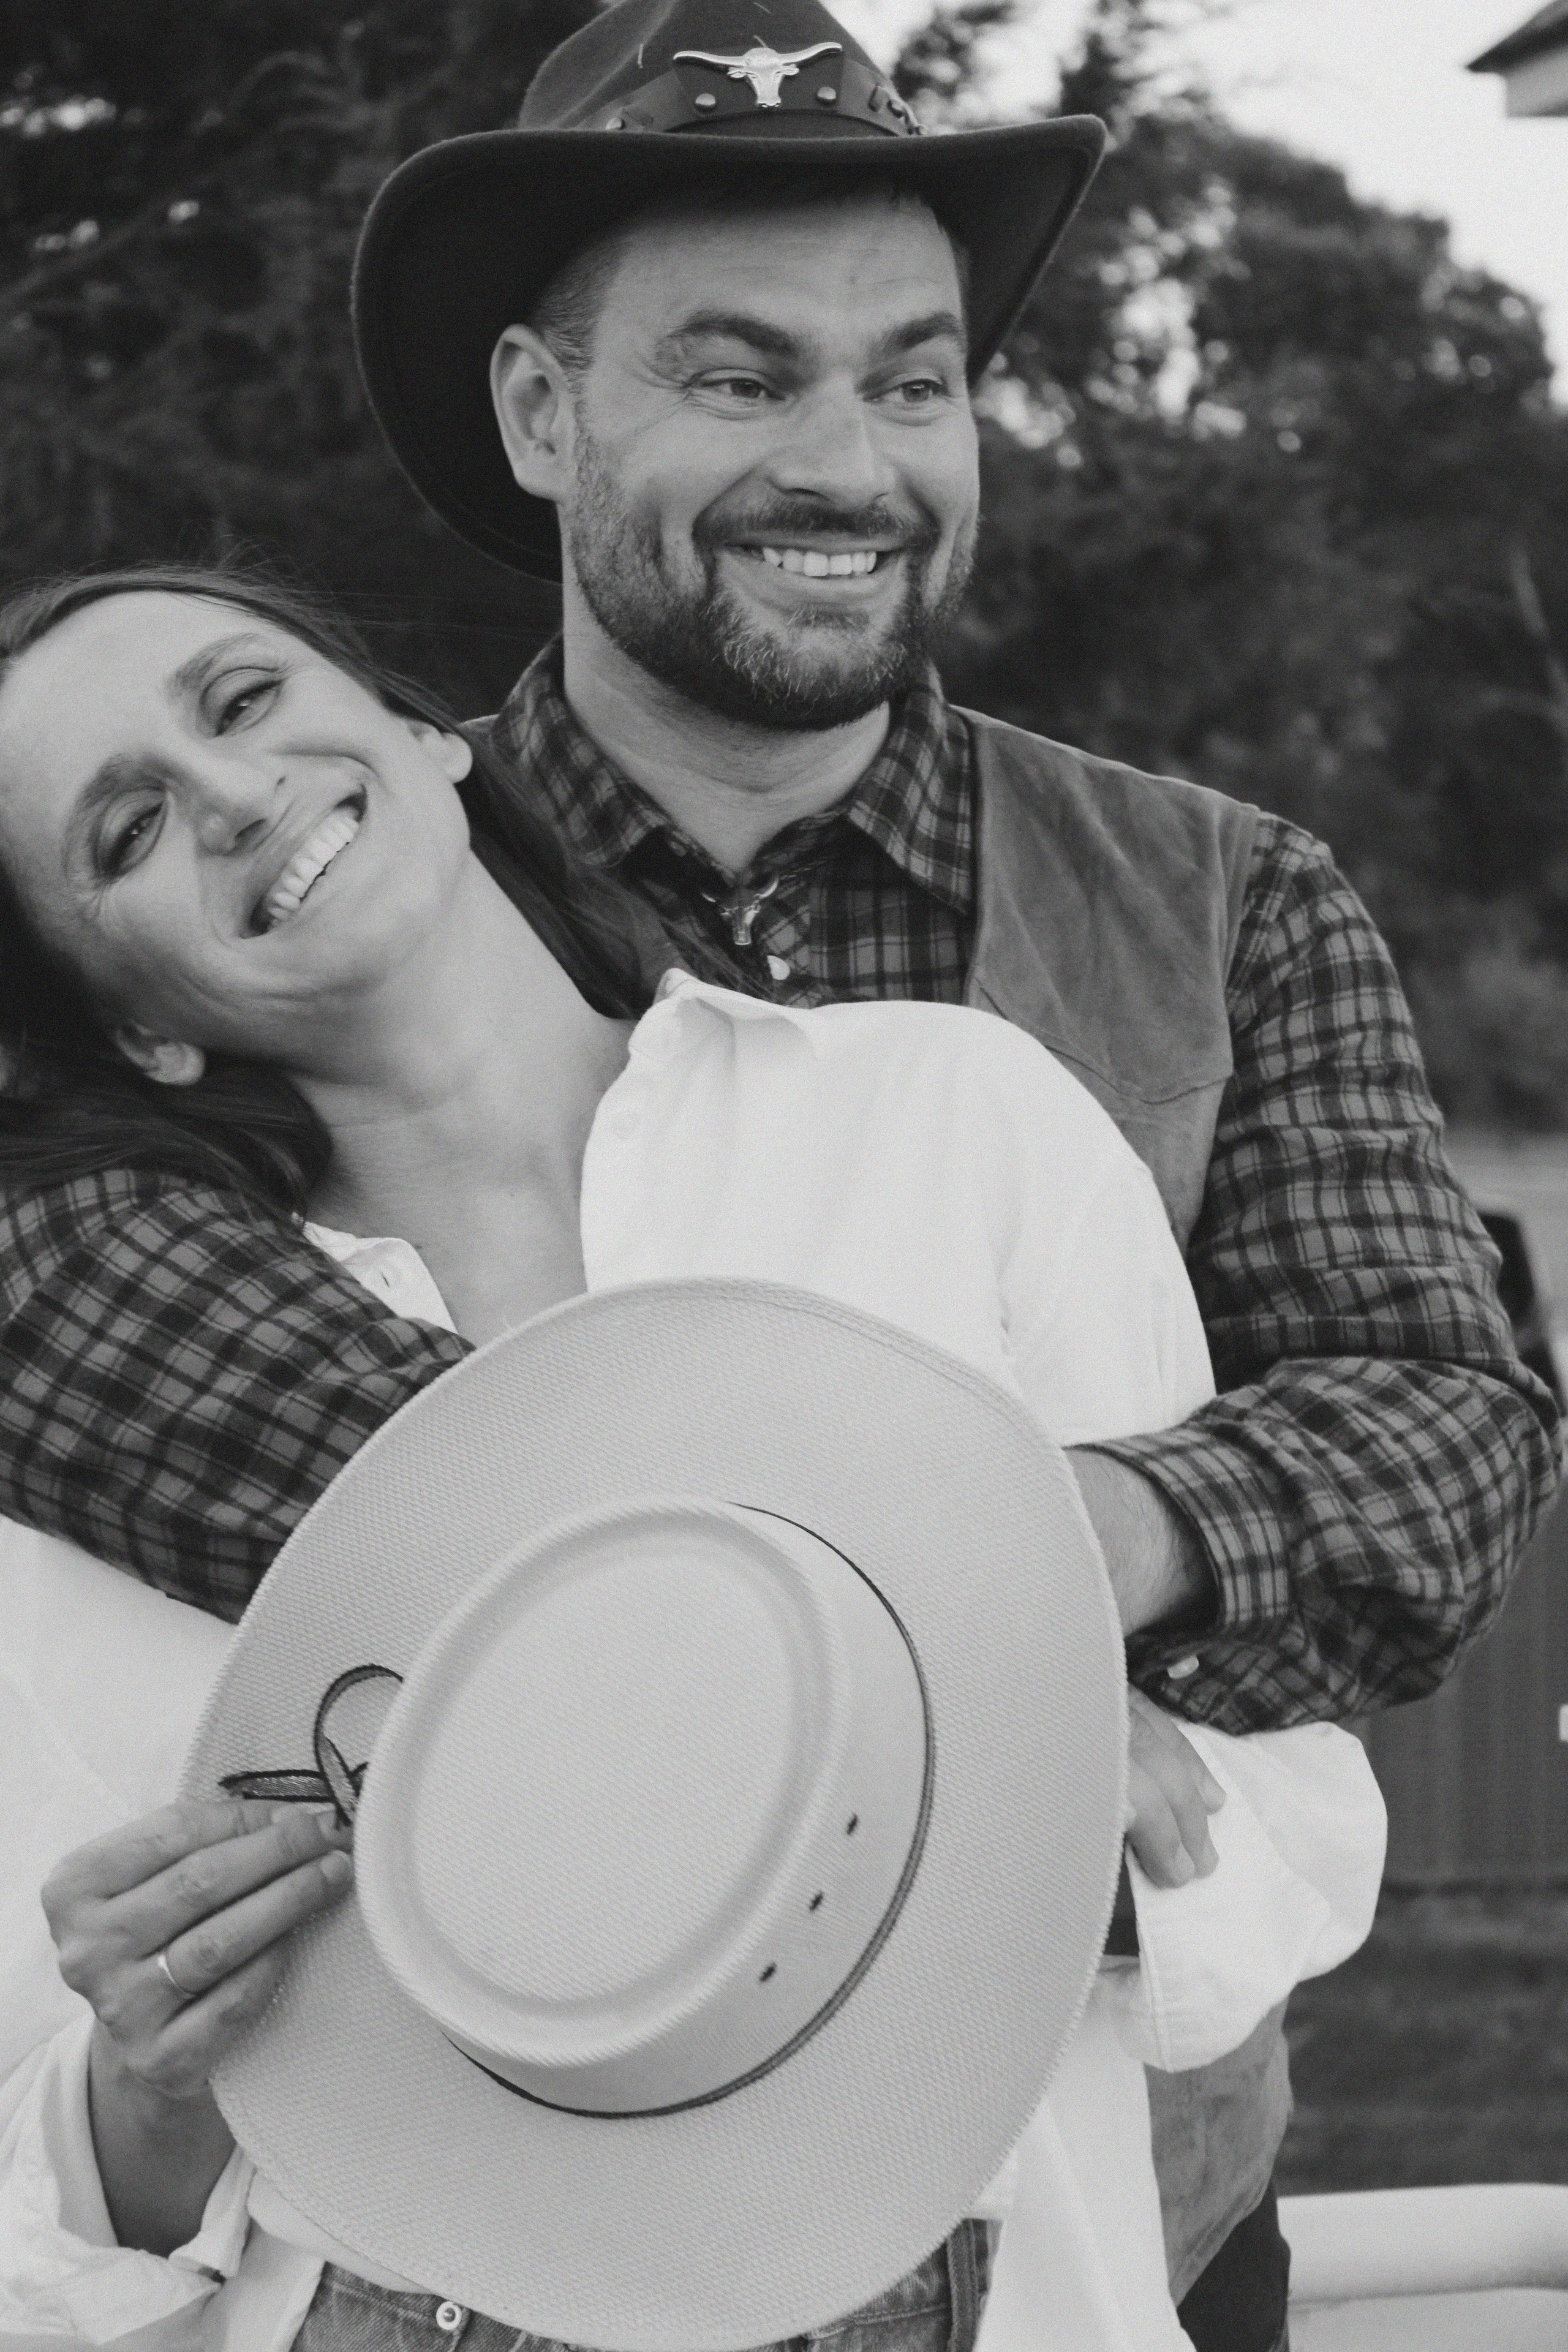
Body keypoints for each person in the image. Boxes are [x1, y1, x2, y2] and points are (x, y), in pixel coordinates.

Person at [0, 1, 1559, 2342]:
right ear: (543, 413)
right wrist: (711, 1627)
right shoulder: (349, 917)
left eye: (914, 378)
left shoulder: (1202, 907)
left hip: (1095, 2215)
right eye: (737, 377)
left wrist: (983, 1587)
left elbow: (1438, 1438)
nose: (852, 460)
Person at [0, 568, 1386, 2351]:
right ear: (137, 1026)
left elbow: (1293, 1826)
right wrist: (145, 2082)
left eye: (245, 699)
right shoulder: (84, 1420)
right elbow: (50, 2197)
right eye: (127, 828)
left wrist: (1017, 1801)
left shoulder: (955, 1124)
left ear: (431, 743)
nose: (229, 791)